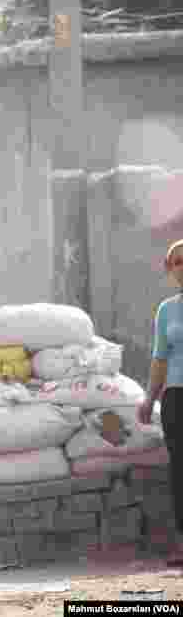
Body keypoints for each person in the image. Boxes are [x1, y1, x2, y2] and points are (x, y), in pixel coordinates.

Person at [139, 238, 183, 567]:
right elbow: (159, 359)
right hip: (176, 398)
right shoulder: (167, 310)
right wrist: (148, 399)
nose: (182, 266)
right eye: (176, 261)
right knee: (180, 470)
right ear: (169, 270)